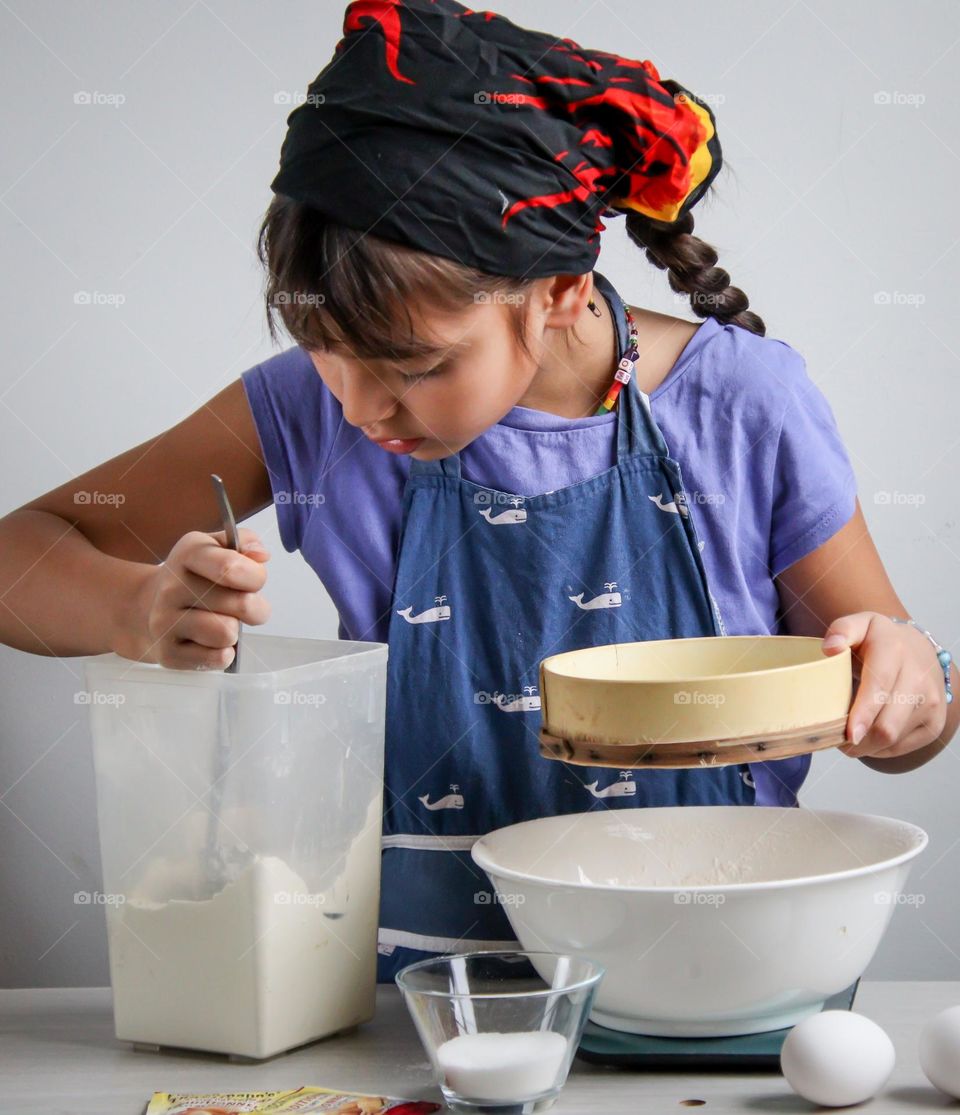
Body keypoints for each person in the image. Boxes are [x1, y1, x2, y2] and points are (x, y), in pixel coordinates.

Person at [1, 0, 956, 985]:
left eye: (415, 364)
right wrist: (134, 608)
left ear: (558, 290)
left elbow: (901, 723)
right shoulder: (305, 412)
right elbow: (18, 552)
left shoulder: (746, 404)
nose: (365, 407)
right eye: (325, 350)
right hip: (423, 1012)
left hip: (728, 984)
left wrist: (915, 686)